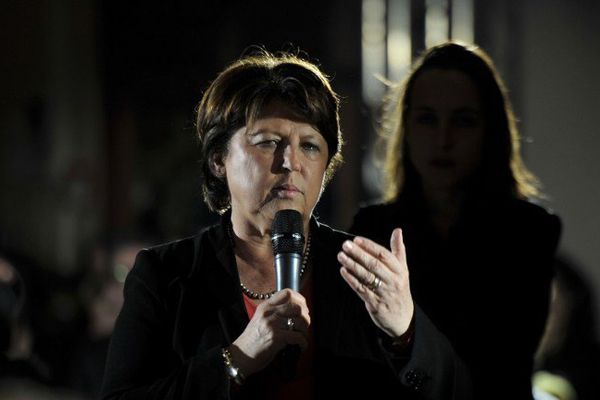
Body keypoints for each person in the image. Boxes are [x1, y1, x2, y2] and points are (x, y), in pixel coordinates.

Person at [100, 50, 472, 399]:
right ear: (218, 160)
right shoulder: (165, 277)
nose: (291, 162)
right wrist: (238, 357)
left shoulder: (363, 270)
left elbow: (459, 391)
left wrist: (407, 331)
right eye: (267, 143)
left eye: (310, 146)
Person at [350, 42, 561, 400]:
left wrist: (406, 331)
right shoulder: (373, 227)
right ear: (407, 129)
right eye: (427, 119)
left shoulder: (529, 231)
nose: (443, 140)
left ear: (488, 132)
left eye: (463, 121)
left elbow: (502, 365)